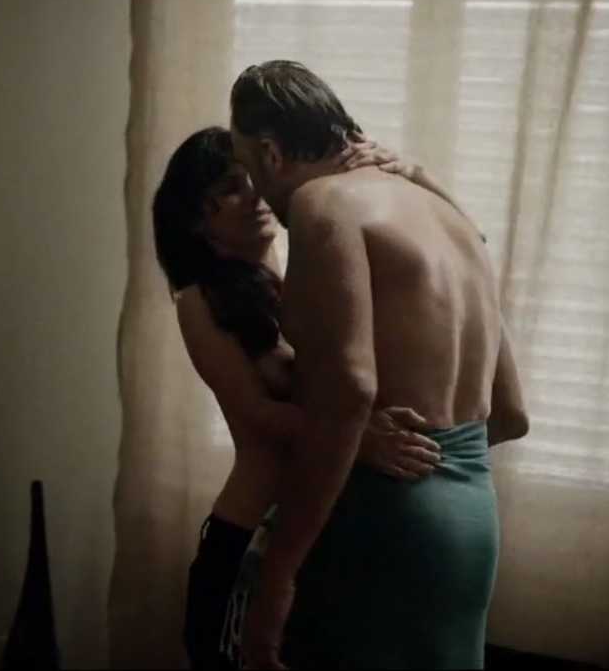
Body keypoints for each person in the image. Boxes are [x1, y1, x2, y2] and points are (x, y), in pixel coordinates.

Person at [225, 60, 530, 670]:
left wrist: (278, 575)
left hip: (383, 519)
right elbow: (510, 414)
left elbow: (349, 394)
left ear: (271, 154)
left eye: (248, 167)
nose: (255, 189)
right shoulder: (450, 221)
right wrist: (441, 468)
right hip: (472, 526)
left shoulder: (322, 203)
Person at [150, 125, 469, 671]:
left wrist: (417, 176)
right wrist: (357, 437)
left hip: (315, 538)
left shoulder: (302, 275)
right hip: (247, 536)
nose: (253, 194)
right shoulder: (198, 300)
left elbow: (462, 257)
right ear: (197, 219)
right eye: (229, 188)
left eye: (254, 178)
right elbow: (259, 413)